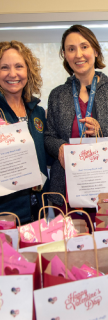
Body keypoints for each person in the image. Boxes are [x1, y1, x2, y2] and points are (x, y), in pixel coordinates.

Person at [44, 25, 108, 219]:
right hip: (68, 192)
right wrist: (58, 146)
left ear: (95, 49)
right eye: (71, 49)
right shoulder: (57, 95)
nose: (79, 54)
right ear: (65, 55)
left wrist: (103, 132)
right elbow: (48, 136)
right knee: (70, 248)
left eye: (84, 46)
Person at [0, 41, 51, 224]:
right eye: (4, 67)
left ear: (28, 71)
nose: (12, 74)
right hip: (6, 216)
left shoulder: (38, 112)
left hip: (39, 212)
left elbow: (47, 156)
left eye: (19, 66)